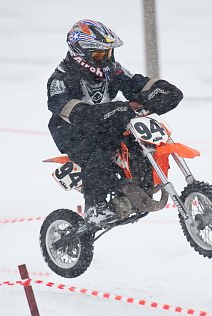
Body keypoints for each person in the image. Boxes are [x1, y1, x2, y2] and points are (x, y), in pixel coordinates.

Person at [47, 19, 183, 224]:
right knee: (100, 153)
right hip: (72, 131)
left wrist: (160, 90)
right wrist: (117, 109)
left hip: (107, 121)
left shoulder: (112, 70)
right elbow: (70, 109)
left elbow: (135, 83)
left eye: (108, 53)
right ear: (80, 53)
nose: (105, 59)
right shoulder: (61, 79)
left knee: (135, 143)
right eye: (98, 55)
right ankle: (95, 208)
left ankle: (136, 188)